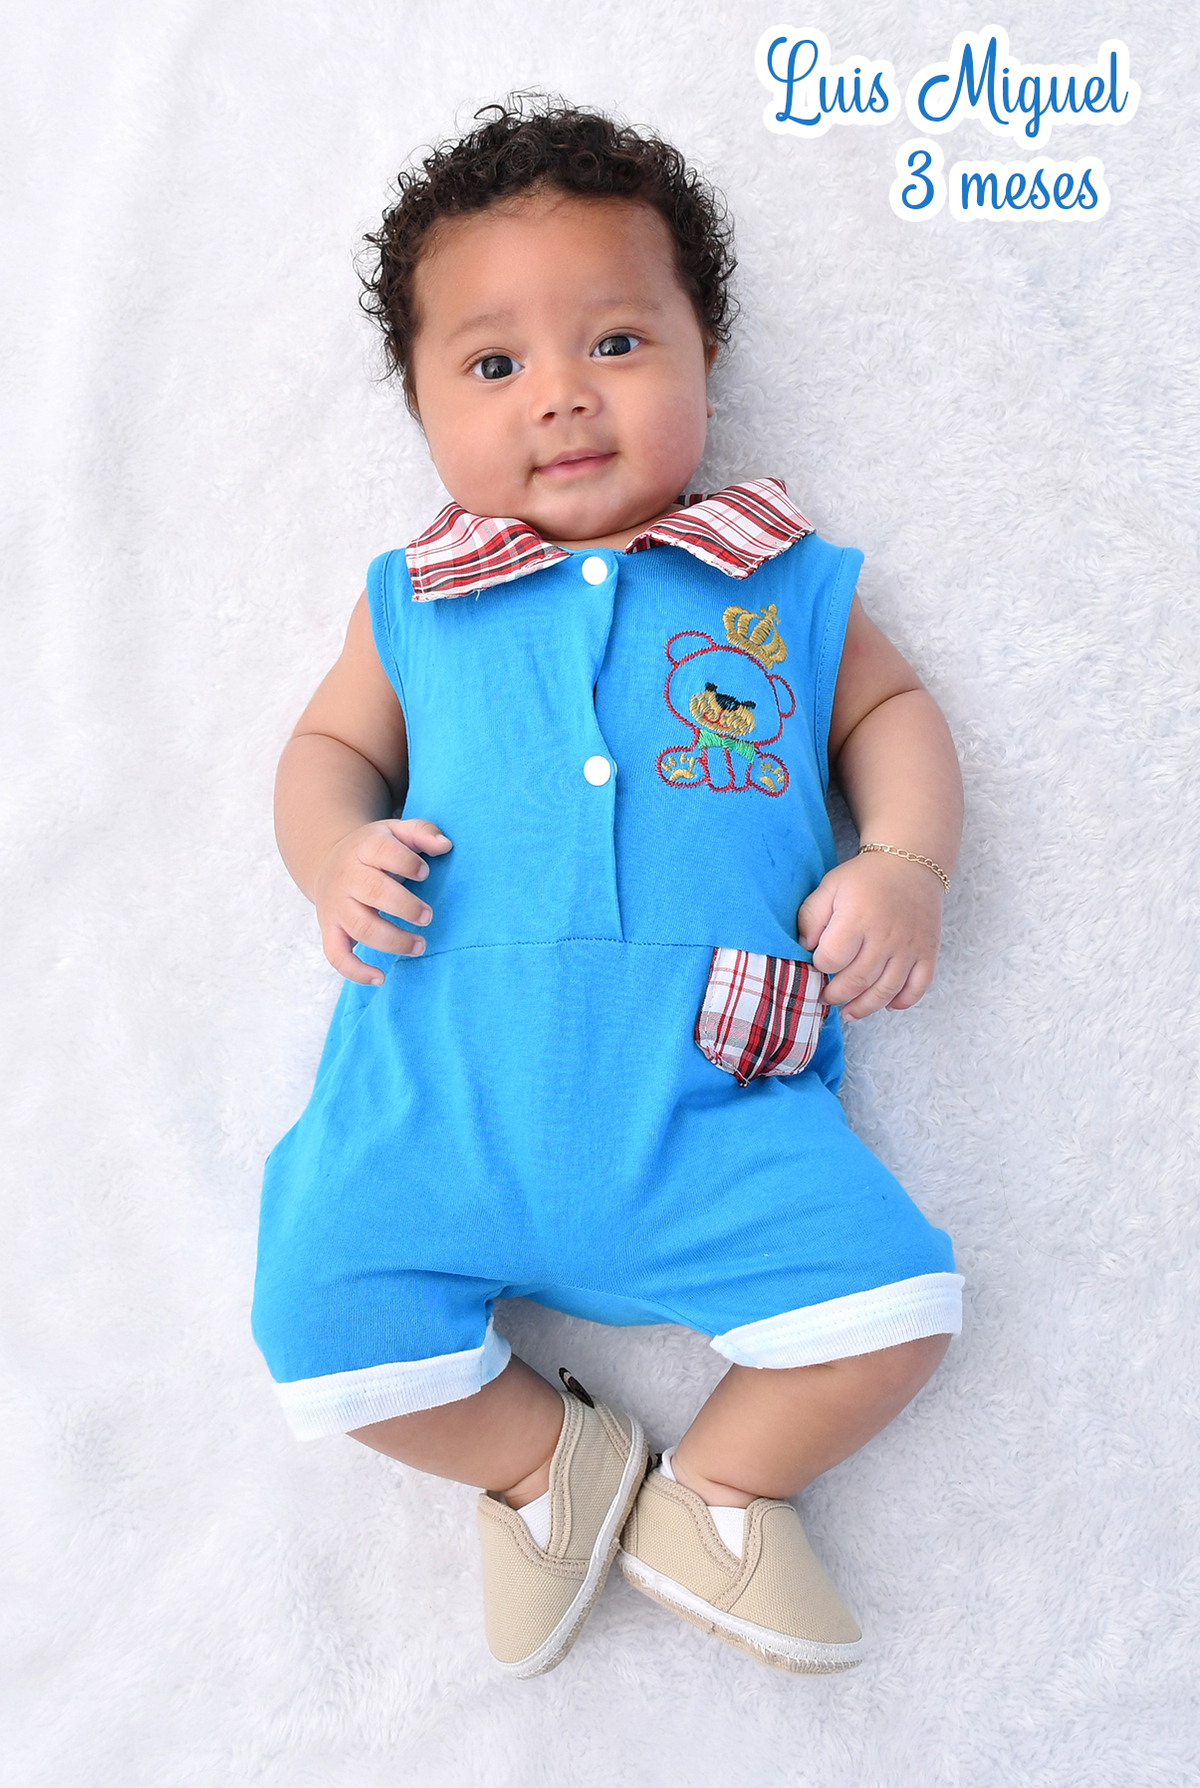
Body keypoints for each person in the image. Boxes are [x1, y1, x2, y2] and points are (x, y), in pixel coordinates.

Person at [251, 98, 965, 1679]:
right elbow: (325, 751)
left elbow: (892, 716)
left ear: (707, 354)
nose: (563, 394)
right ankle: (540, 1463)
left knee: (900, 1307)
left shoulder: (782, 580)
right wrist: (333, 851)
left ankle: (718, 1489)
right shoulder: (415, 601)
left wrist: (903, 863)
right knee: (317, 1327)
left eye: (620, 343)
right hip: (433, 1102)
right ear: (421, 405)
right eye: (493, 365)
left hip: (707, 1099)